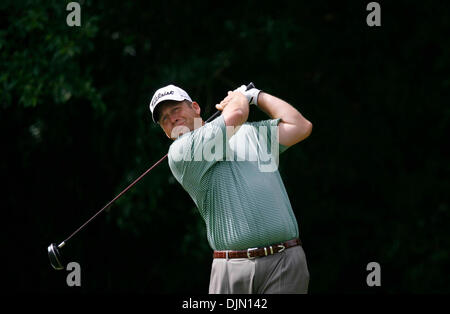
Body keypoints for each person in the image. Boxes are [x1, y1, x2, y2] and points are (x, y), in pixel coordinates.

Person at [149, 83, 313, 293]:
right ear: (166, 131)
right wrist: (239, 97)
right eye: (164, 118)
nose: (172, 118)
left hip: (284, 263)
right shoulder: (180, 153)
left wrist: (256, 96)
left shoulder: (248, 133)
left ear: (196, 108)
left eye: (175, 109)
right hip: (231, 269)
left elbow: (300, 127)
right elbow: (237, 112)